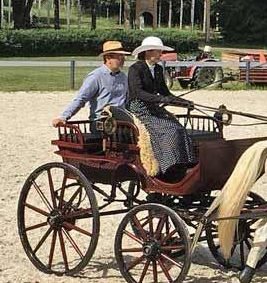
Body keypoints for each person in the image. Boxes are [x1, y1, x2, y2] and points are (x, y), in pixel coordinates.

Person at [127, 36, 197, 179]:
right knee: (169, 131)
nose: (161, 54)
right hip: (139, 108)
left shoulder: (158, 69)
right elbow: (138, 93)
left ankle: (184, 163)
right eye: (158, 51)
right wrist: (161, 99)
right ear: (147, 52)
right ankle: (168, 167)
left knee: (178, 127)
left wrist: (183, 102)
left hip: (154, 106)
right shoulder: (135, 69)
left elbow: (165, 92)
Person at [52, 40, 130, 129]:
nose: (123, 58)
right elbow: (81, 99)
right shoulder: (96, 76)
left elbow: (127, 101)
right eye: (119, 56)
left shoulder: (123, 77)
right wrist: (64, 117)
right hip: (102, 123)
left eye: (123, 55)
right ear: (108, 58)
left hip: (122, 123)